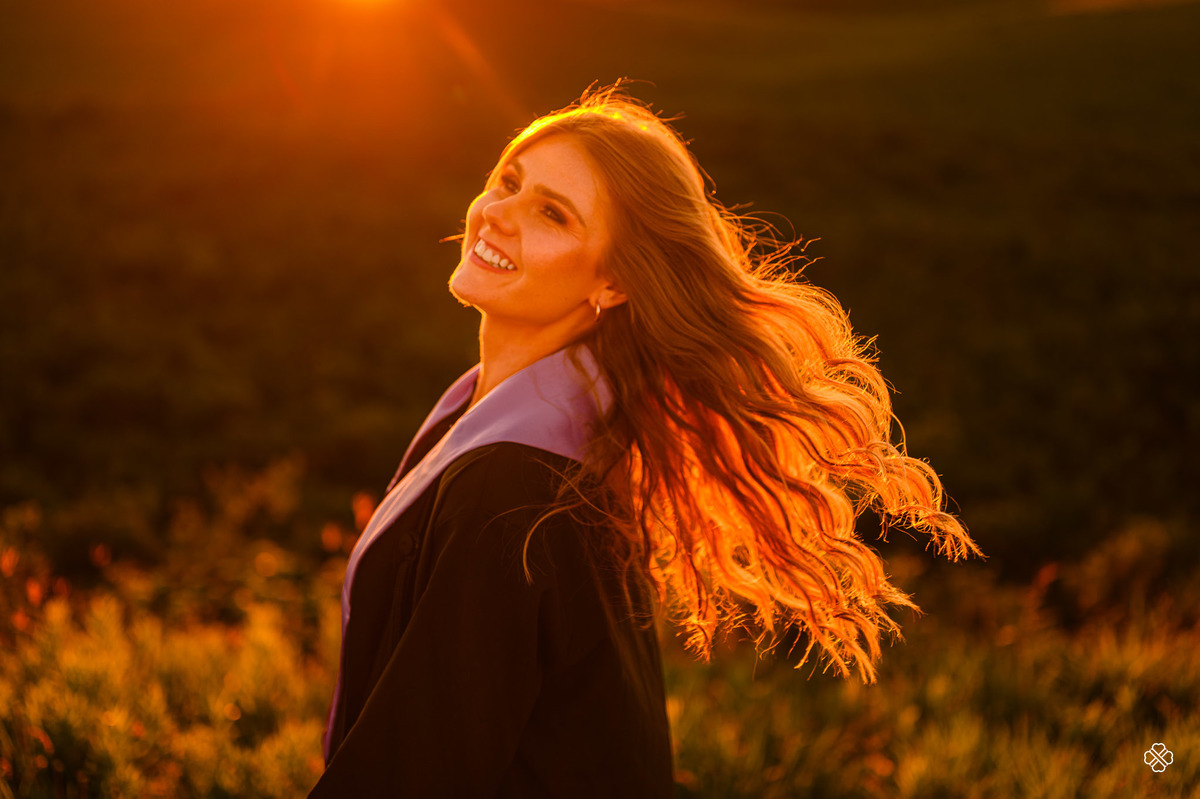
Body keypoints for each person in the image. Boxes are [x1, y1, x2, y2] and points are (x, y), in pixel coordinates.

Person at [311, 85, 981, 797]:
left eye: (552, 214)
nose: (498, 214)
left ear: (613, 281)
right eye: (508, 182)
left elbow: (418, 772)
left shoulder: (513, 485)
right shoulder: (498, 422)